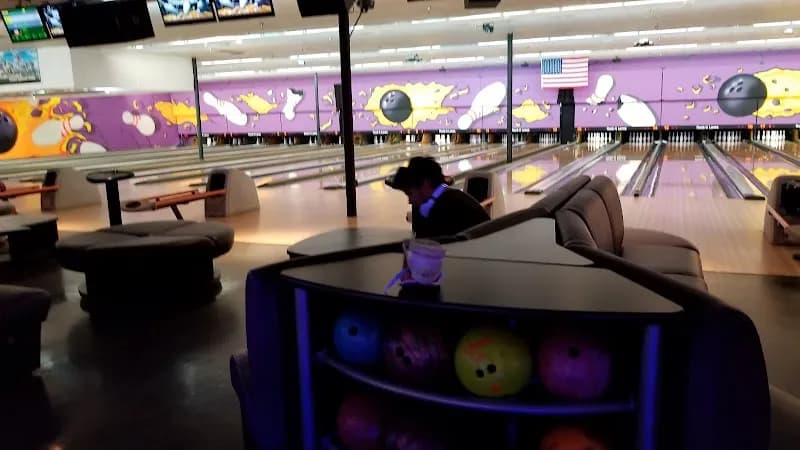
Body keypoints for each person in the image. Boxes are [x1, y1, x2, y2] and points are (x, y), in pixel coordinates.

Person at [386, 157, 490, 238]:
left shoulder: (451, 205)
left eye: (410, 193)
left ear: (425, 185)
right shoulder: (428, 202)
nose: (410, 200)